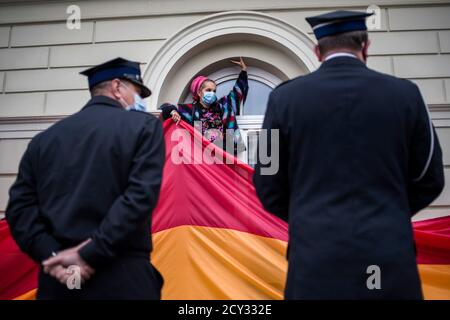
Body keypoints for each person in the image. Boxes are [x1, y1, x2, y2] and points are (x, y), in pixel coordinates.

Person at [253, 10, 445, 299]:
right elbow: (430, 176)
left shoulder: (282, 99)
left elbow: (266, 180)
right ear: (365, 46)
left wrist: (308, 217)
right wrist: (388, 213)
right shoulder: (406, 95)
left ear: (317, 51)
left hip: (315, 262)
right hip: (386, 261)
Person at [6, 57, 165, 299]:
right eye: (137, 91)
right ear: (117, 87)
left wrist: (53, 257)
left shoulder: (44, 140)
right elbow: (139, 197)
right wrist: (87, 254)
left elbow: (19, 210)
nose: (140, 100)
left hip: (59, 283)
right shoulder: (143, 127)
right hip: (123, 280)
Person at [160, 57, 248, 155]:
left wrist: (243, 71)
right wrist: (173, 111)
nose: (212, 93)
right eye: (208, 90)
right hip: (201, 158)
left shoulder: (223, 107)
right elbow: (164, 107)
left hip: (223, 156)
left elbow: (237, 94)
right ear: (199, 92)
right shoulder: (189, 110)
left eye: (214, 91)